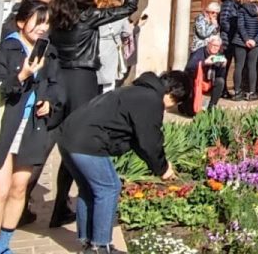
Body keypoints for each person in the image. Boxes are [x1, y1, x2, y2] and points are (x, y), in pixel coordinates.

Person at [0, 0, 65, 254]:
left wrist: (48, 101)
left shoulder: (48, 52)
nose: (43, 28)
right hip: (4, 126)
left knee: (19, 188)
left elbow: (56, 85)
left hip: (31, 126)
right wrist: (20, 76)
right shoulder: (7, 50)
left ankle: (3, 245)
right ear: (22, 22)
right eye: (37, 22)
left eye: (46, 23)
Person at [58, 70, 190, 254]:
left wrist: (160, 165)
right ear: (172, 93)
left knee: (89, 188)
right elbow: (150, 140)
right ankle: (100, 247)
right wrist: (163, 168)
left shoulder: (137, 91)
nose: (169, 108)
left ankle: (89, 242)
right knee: (109, 187)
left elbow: (138, 140)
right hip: (87, 142)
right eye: (176, 102)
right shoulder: (151, 100)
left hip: (68, 136)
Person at [45, 0, 140, 227]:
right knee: (79, 143)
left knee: (61, 144)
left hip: (59, 79)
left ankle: (59, 205)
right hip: (82, 80)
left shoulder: (56, 17)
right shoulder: (88, 17)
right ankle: (86, 201)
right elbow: (130, 6)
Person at [230, 0, 258, 100]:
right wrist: (254, 40)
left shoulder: (242, 9)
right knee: (252, 67)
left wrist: (246, 39)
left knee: (239, 66)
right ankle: (251, 92)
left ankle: (237, 92)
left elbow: (240, 25)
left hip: (240, 41)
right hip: (255, 43)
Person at [95, 0, 129, 93]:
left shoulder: (93, 16)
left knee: (93, 79)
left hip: (95, 46)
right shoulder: (120, 17)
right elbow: (127, 32)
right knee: (109, 84)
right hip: (111, 49)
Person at [185, 34, 227, 113]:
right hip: (195, 81)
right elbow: (189, 68)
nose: (215, 48)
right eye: (213, 45)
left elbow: (220, 75)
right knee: (191, 112)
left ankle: (212, 107)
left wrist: (223, 66)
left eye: (217, 46)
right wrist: (204, 63)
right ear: (208, 44)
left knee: (220, 81)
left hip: (209, 80)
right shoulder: (199, 53)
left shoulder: (218, 55)